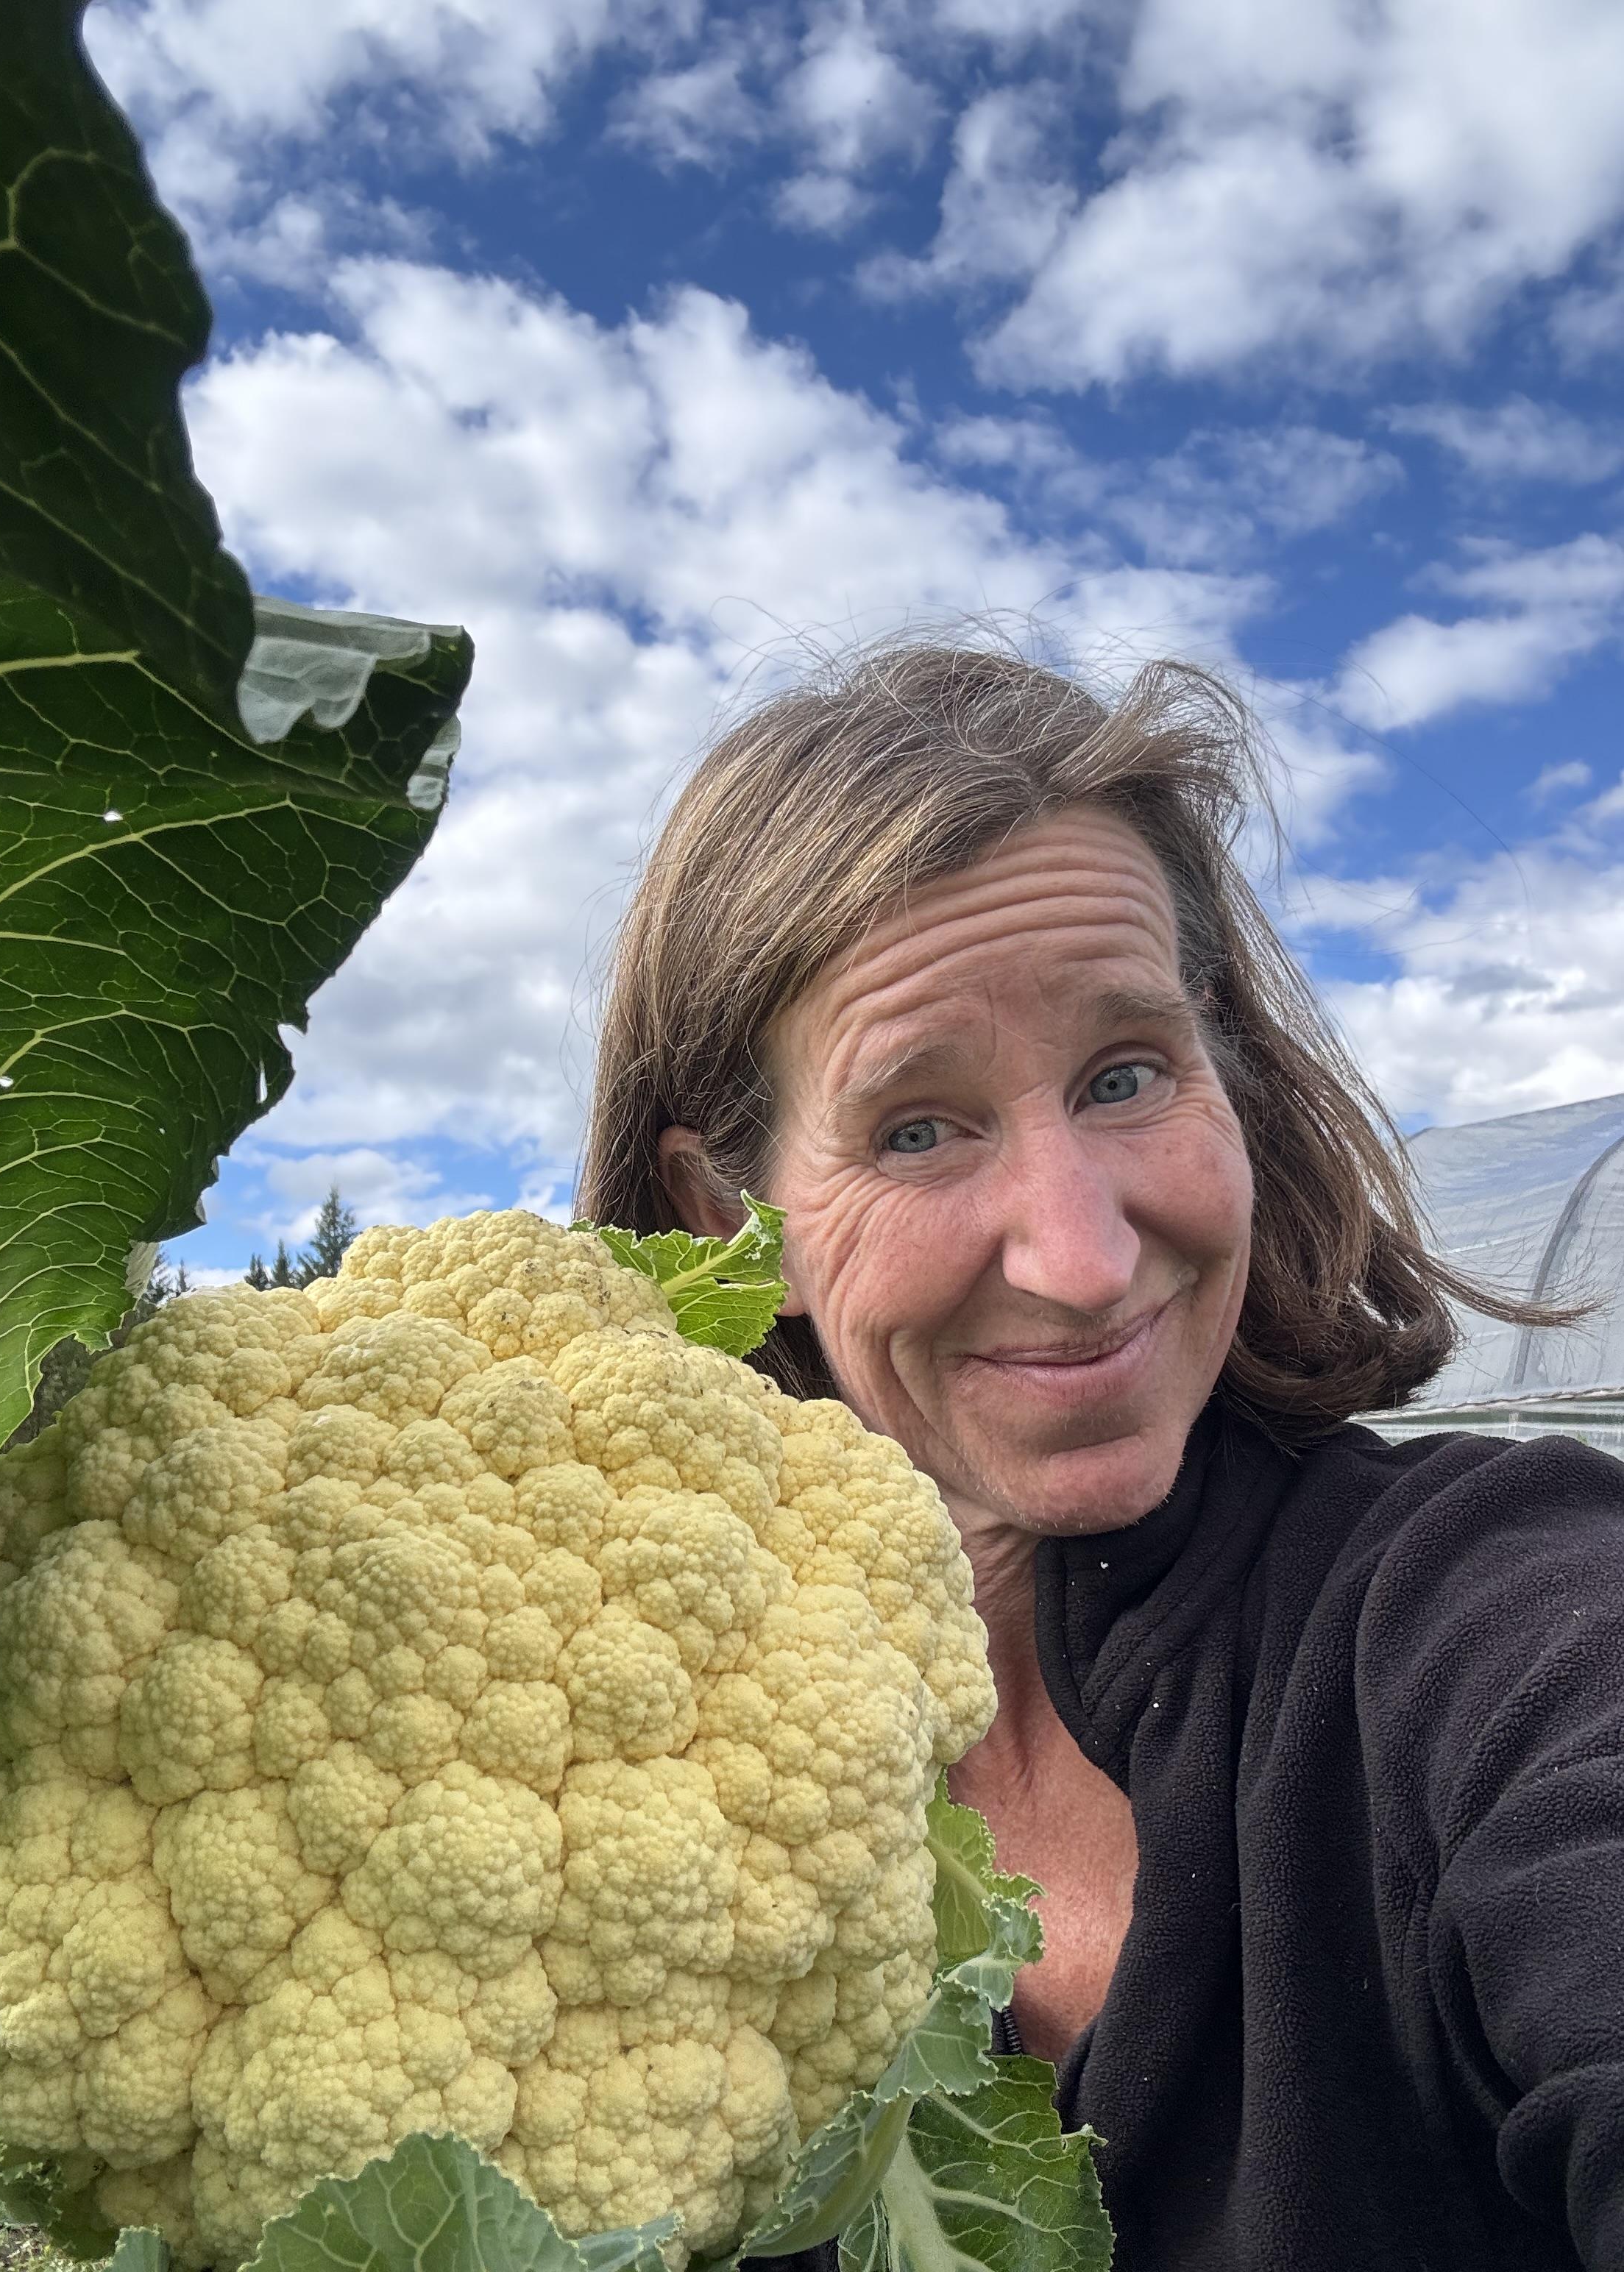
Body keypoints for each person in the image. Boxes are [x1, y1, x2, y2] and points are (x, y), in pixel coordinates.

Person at [577, 642, 1624, 2272]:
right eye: (918, 1126)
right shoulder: (616, 1776)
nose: (1077, 1255)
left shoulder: (1479, 1609)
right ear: (733, 1214)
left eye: (1125, 1073)